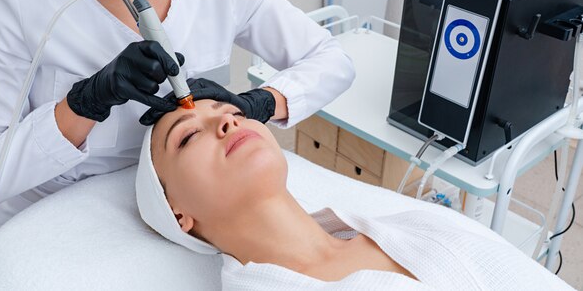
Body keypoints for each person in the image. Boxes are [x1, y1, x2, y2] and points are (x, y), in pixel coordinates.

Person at [0, 0, 354, 286]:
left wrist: (261, 102)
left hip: (188, 227)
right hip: (52, 237)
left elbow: (331, 60)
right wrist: (82, 106)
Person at [136, 92, 575, 291]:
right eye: (187, 138)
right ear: (178, 214)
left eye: (231, 109)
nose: (226, 121)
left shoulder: (418, 225)